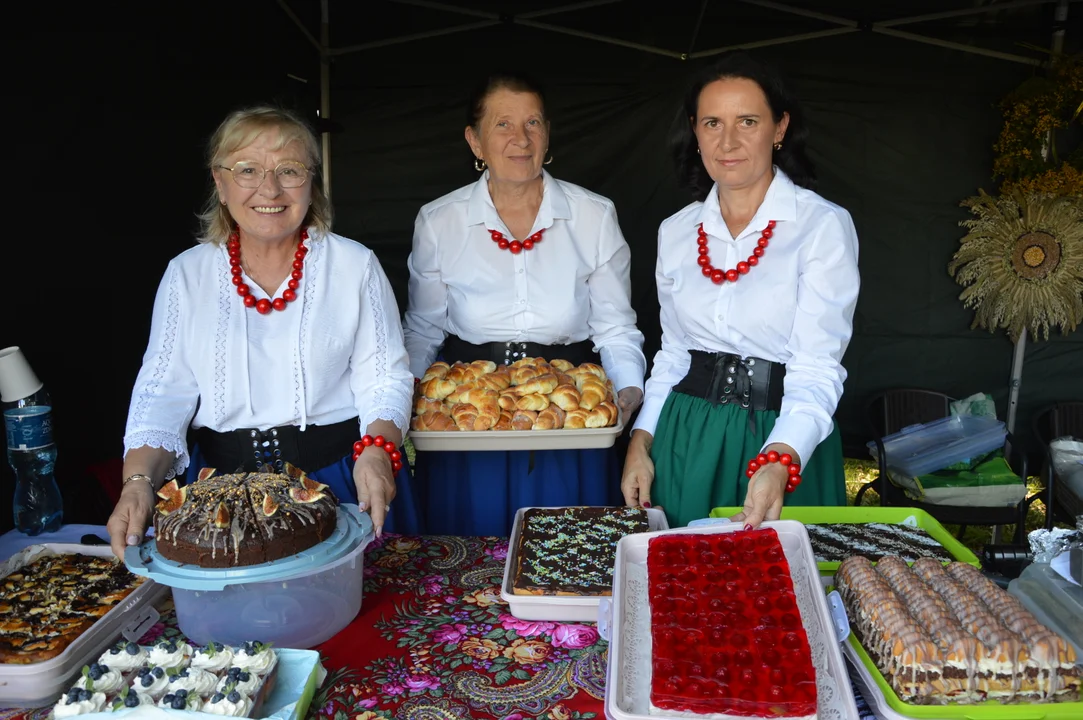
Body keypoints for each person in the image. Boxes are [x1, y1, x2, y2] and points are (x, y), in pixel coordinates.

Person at [107, 106, 418, 560]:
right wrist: (137, 483)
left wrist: (378, 451)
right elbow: (162, 393)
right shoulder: (185, 276)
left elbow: (385, 377)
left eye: (289, 170)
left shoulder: (354, 265)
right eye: (247, 170)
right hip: (219, 495)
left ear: (312, 182)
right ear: (220, 181)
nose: (269, 189)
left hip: (344, 478)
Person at [621, 53, 860, 529]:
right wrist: (641, 441)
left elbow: (817, 364)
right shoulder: (676, 231)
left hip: (783, 438)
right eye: (712, 122)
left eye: (747, 121)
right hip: (688, 438)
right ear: (695, 130)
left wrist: (782, 458)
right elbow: (673, 354)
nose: (727, 141)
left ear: (779, 127)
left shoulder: (820, 226)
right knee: (684, 589)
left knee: (779, 592)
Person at [403, 71, 647, 537]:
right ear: (474, 141)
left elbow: (615, 326)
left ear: (548, 134)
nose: (521, 139)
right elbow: (423, 329)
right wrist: (406, 398)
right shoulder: (439, 220)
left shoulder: (593, 215)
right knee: (466, 564)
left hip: (570, 414)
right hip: (470, 421)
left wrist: (628, 389)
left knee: (567, 556)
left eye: (533, 123)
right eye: (503, 125)